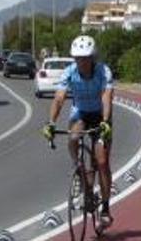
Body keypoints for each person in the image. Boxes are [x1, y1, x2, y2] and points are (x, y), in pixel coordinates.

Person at [42, 35, 114, 229]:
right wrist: (51, 123)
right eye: (78, 58)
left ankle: (106, 208)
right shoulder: (69, 73)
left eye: (85, 58)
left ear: (93, 57)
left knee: (102, 162)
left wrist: (105, 122)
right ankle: (78, 170)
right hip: (80, 113)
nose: (81, 62)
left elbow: (107, 97)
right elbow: (59, 99)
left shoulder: (103, 72)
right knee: (73, 137)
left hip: (100, 115)